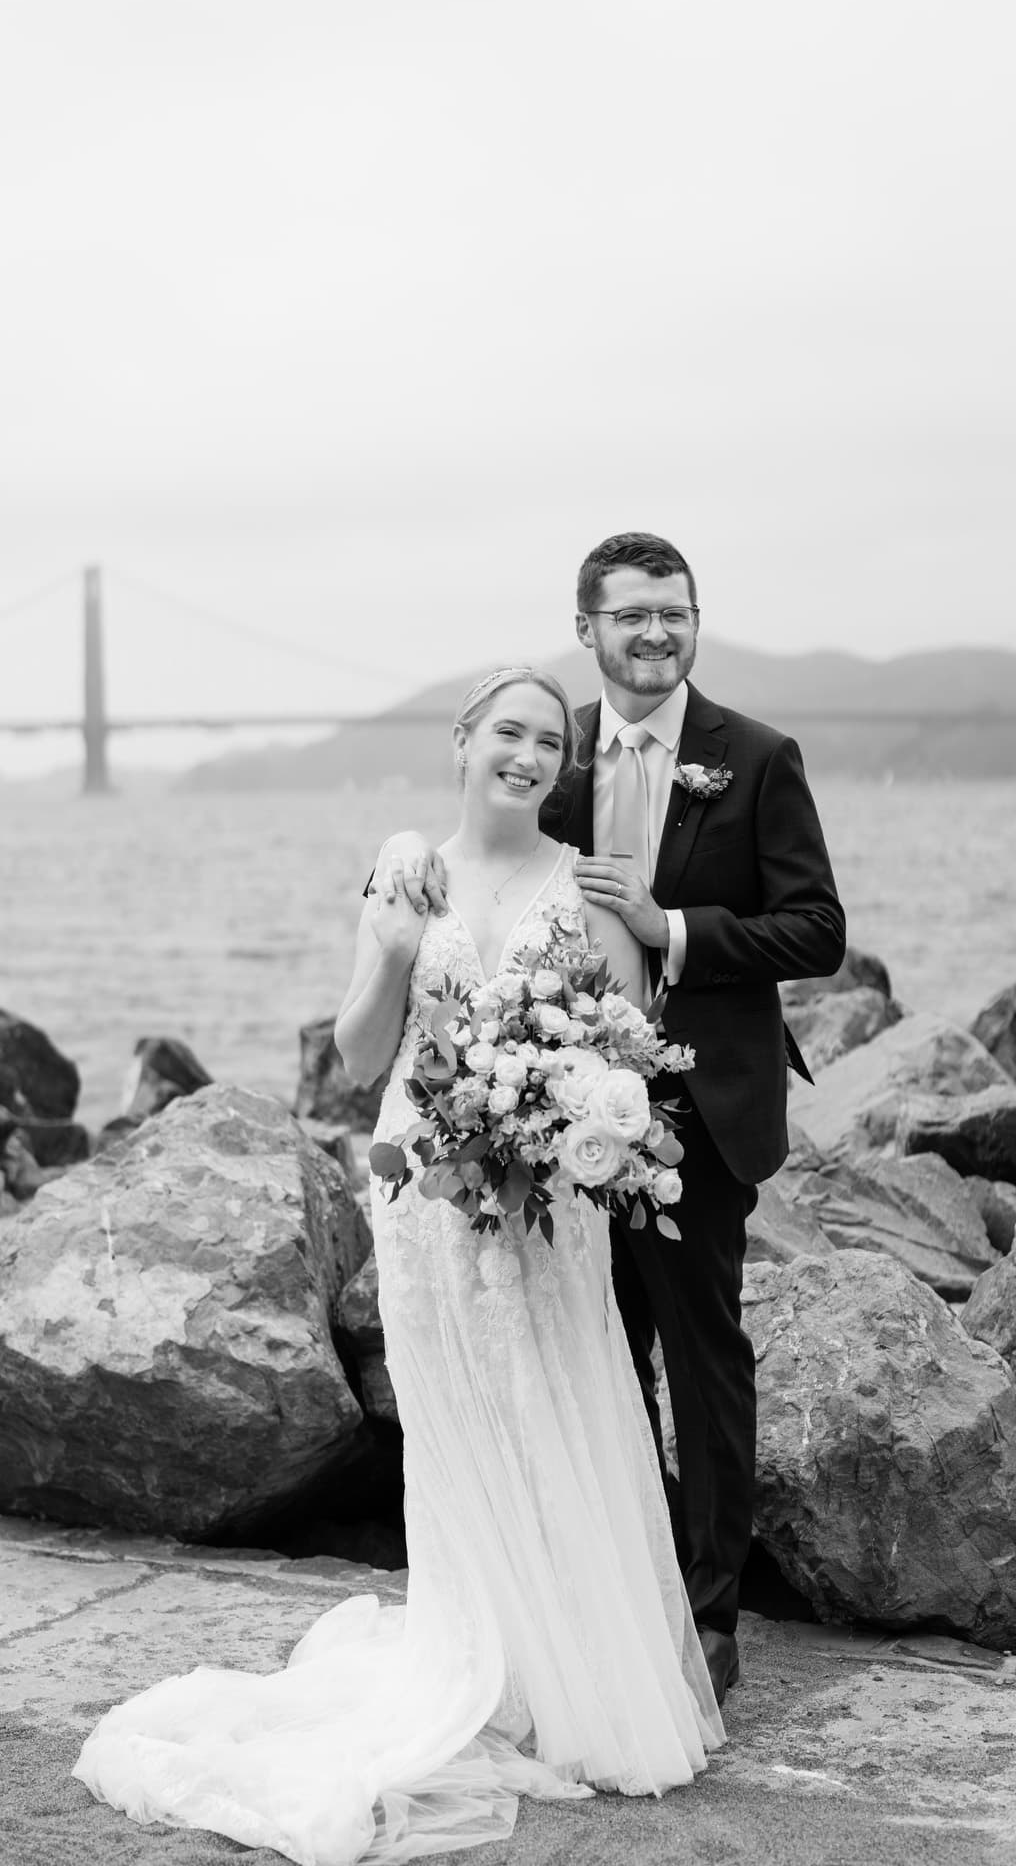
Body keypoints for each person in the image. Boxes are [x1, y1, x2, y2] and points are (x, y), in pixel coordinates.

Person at [73, 662, 724, 1866]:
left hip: (544, 1206)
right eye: (507, 734)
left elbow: (626, 1061)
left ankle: (570, 1675)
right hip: (421, 1189)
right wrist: (386, 946)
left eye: (547, 740)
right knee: (459, 1422)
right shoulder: (404, 870)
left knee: (556, 1404)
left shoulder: (583, 889)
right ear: (462, 742)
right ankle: (475, 1657)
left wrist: (566, 1114)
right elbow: (362, 1045)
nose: (528, 755)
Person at [378, 530, 846, 1707]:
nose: (654, 633)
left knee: (701, 1360)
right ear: (586, 628)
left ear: (694, 622)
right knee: (590, 1354)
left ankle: (707, 1614)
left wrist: (670, 921)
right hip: (553, 1121)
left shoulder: (755, 757)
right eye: (629, 614)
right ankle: (615, 1598)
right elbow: (480, 843)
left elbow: (815, 929)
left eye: (674, 613)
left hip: (701, 1108)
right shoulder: (555, 751)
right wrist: (394, 852)